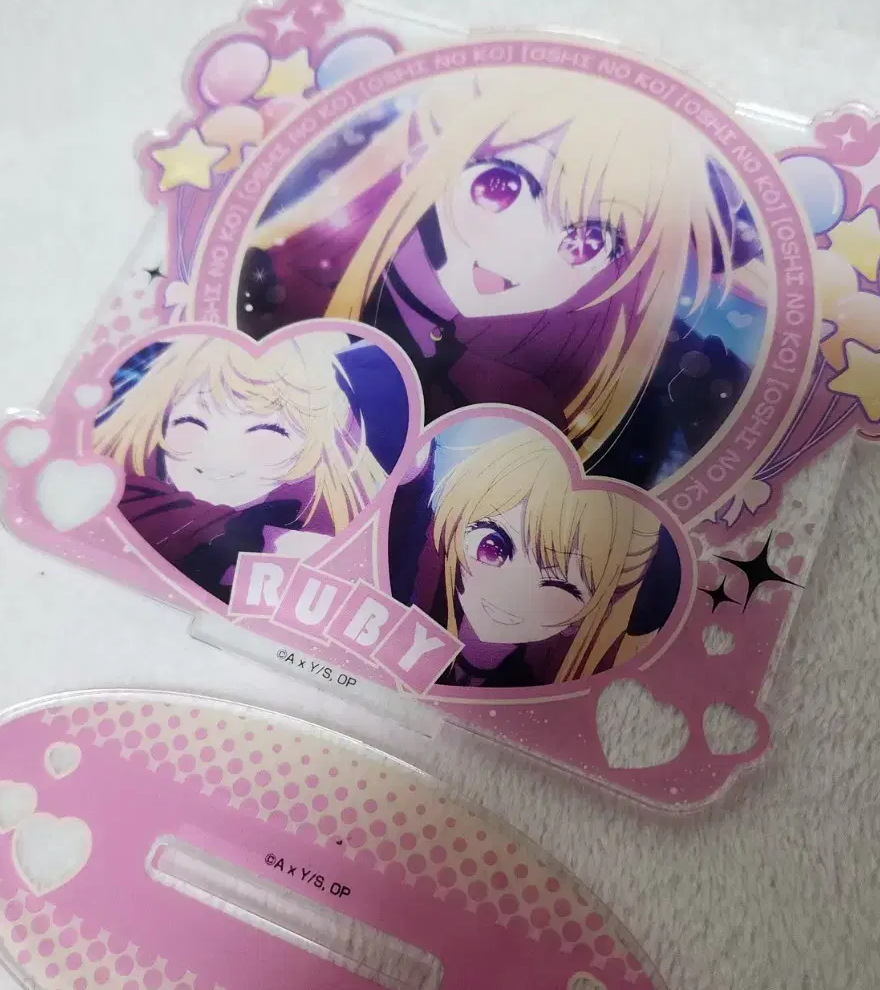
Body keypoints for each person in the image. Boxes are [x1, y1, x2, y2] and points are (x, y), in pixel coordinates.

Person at [235, 67, 768, 470]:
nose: (521, 250)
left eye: (589, 240)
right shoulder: (285, 287)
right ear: (436, 162)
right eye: (501, 186)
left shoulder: (556, 401)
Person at [92, 332, 388, 601]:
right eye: (192, 422)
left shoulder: (322, 529)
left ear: (313, 447)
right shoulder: (116, 495)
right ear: (161, 419)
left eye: (269, 432)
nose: (221, 459)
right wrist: (267, 544)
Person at [389, 423, 664, 688]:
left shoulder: (527, 692)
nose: (511, 590)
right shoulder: (405, 599)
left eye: (557, 587)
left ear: (580, 618)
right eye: (493, 547)